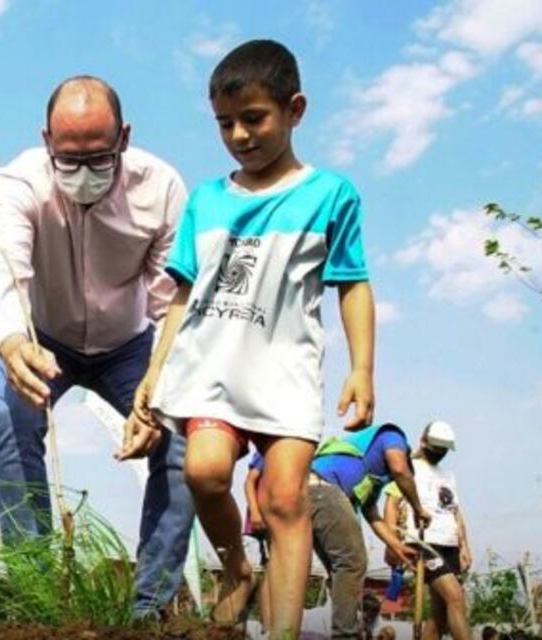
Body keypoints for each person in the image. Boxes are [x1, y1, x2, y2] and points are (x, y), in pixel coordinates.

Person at [133, 39, 376, 638]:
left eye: (254, 118)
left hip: (285, 371)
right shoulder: (207, 200)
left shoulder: (330, 195)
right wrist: (154, 372)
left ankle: (283, 632)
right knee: (205, 473)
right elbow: (182, 295)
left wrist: (362, 368)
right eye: (225, 123)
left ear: (295, 110)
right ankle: (238, 567)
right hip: (210, 368)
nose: (240, 134)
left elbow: (353, 284)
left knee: (286, 499)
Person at [0, 74, 194, 617]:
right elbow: (3, 272)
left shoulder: (162, 188)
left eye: (97, 158)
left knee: (185, 439)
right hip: (41, 340)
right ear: (46, 140)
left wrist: (156, 387)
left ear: (123, 138)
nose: (81, 174)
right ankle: (37, 589)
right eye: (66, 160)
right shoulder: (18, 182)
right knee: (11, 419)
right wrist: (9, 342)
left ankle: (149, 605)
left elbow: (171, 304)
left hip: (129, 346)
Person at [307, 422, 431, 638]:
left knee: (341, 569)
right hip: (322, 488)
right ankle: (346, 635)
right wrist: (418, 508)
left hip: (312, 493)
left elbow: (372, 515)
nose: (396, 479)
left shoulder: (372, 478)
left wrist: (396, 545)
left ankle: (344, 629)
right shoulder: (394, 436)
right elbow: (400, 470)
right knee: (352, 563)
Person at [385, 421, 472, 640]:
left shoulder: (447, 475)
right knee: (455, 597)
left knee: (440, 615)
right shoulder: (406, 467)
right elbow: (392, 504)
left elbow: (455, 512)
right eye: (436, 447)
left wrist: (464, 546)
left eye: (443, 449)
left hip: (449, 543)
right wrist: (391, 543)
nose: (439, 453)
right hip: (423, 542)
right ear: (423, 441)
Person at [242, 451, 271, 631]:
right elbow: (249, 481)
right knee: (247, 574)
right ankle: (234, 625)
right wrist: (254, 511)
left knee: (272, 573)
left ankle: (267, 628)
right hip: (258, 523)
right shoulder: (266, 451)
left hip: (274, 525)